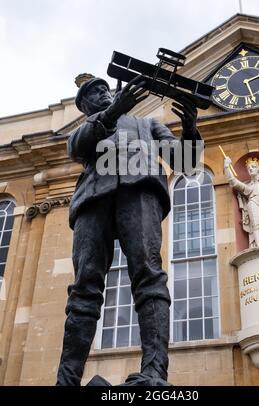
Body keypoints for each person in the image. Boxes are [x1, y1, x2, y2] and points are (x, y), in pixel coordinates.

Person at [56, 73, 203, 386]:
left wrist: (190, 127)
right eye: (93, 93)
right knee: (85, 288)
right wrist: (111, 114)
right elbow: (78, 148)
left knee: (149, 276)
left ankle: (154, 371)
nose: (102, 93)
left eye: (104, 89)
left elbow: (187, 162)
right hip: (94, 200)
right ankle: (66, 379)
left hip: (140, 193)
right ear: (84, 105)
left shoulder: (146, 124)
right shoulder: (88, 127)